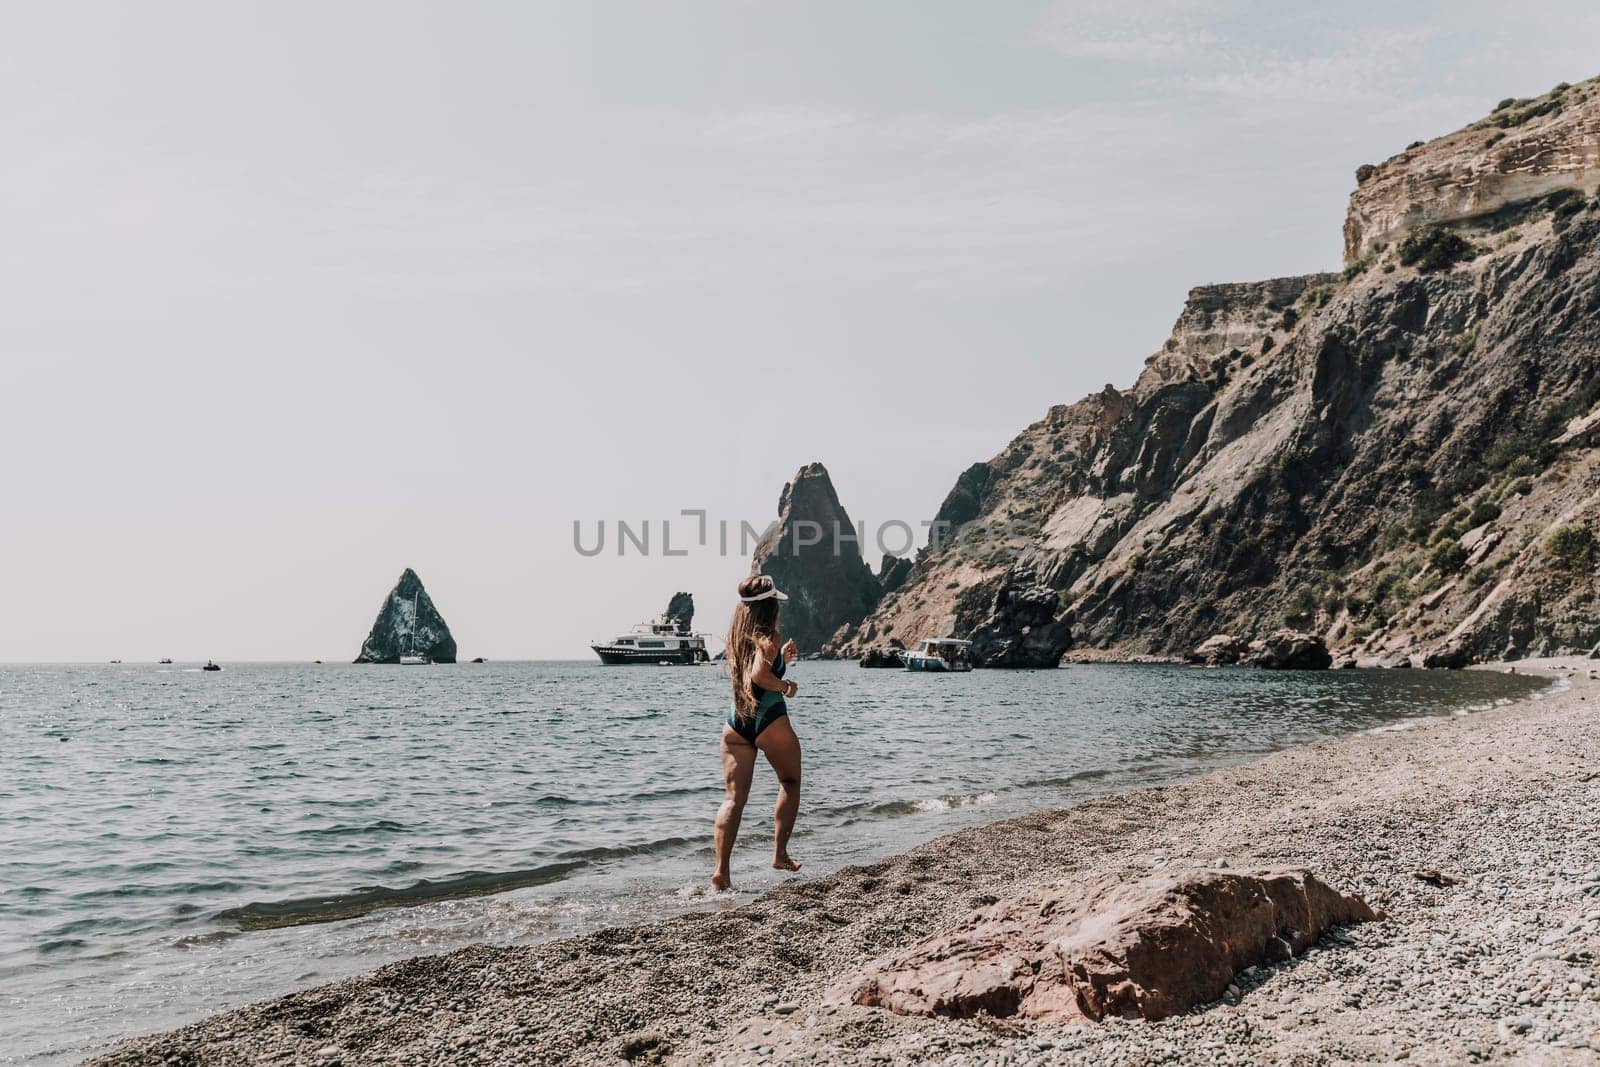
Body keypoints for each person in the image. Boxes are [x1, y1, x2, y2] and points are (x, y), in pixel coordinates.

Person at [711, 574, 802, 890]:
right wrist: (786, 686)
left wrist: (783, 662)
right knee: (790, 781)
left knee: (733, 799)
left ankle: (721, 872)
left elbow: (754, 672)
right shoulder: (770, 636)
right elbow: (760, 675)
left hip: (736, 725)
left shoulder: (737, 637)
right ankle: (780, 854)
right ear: (770, 606)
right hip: (769, 719)